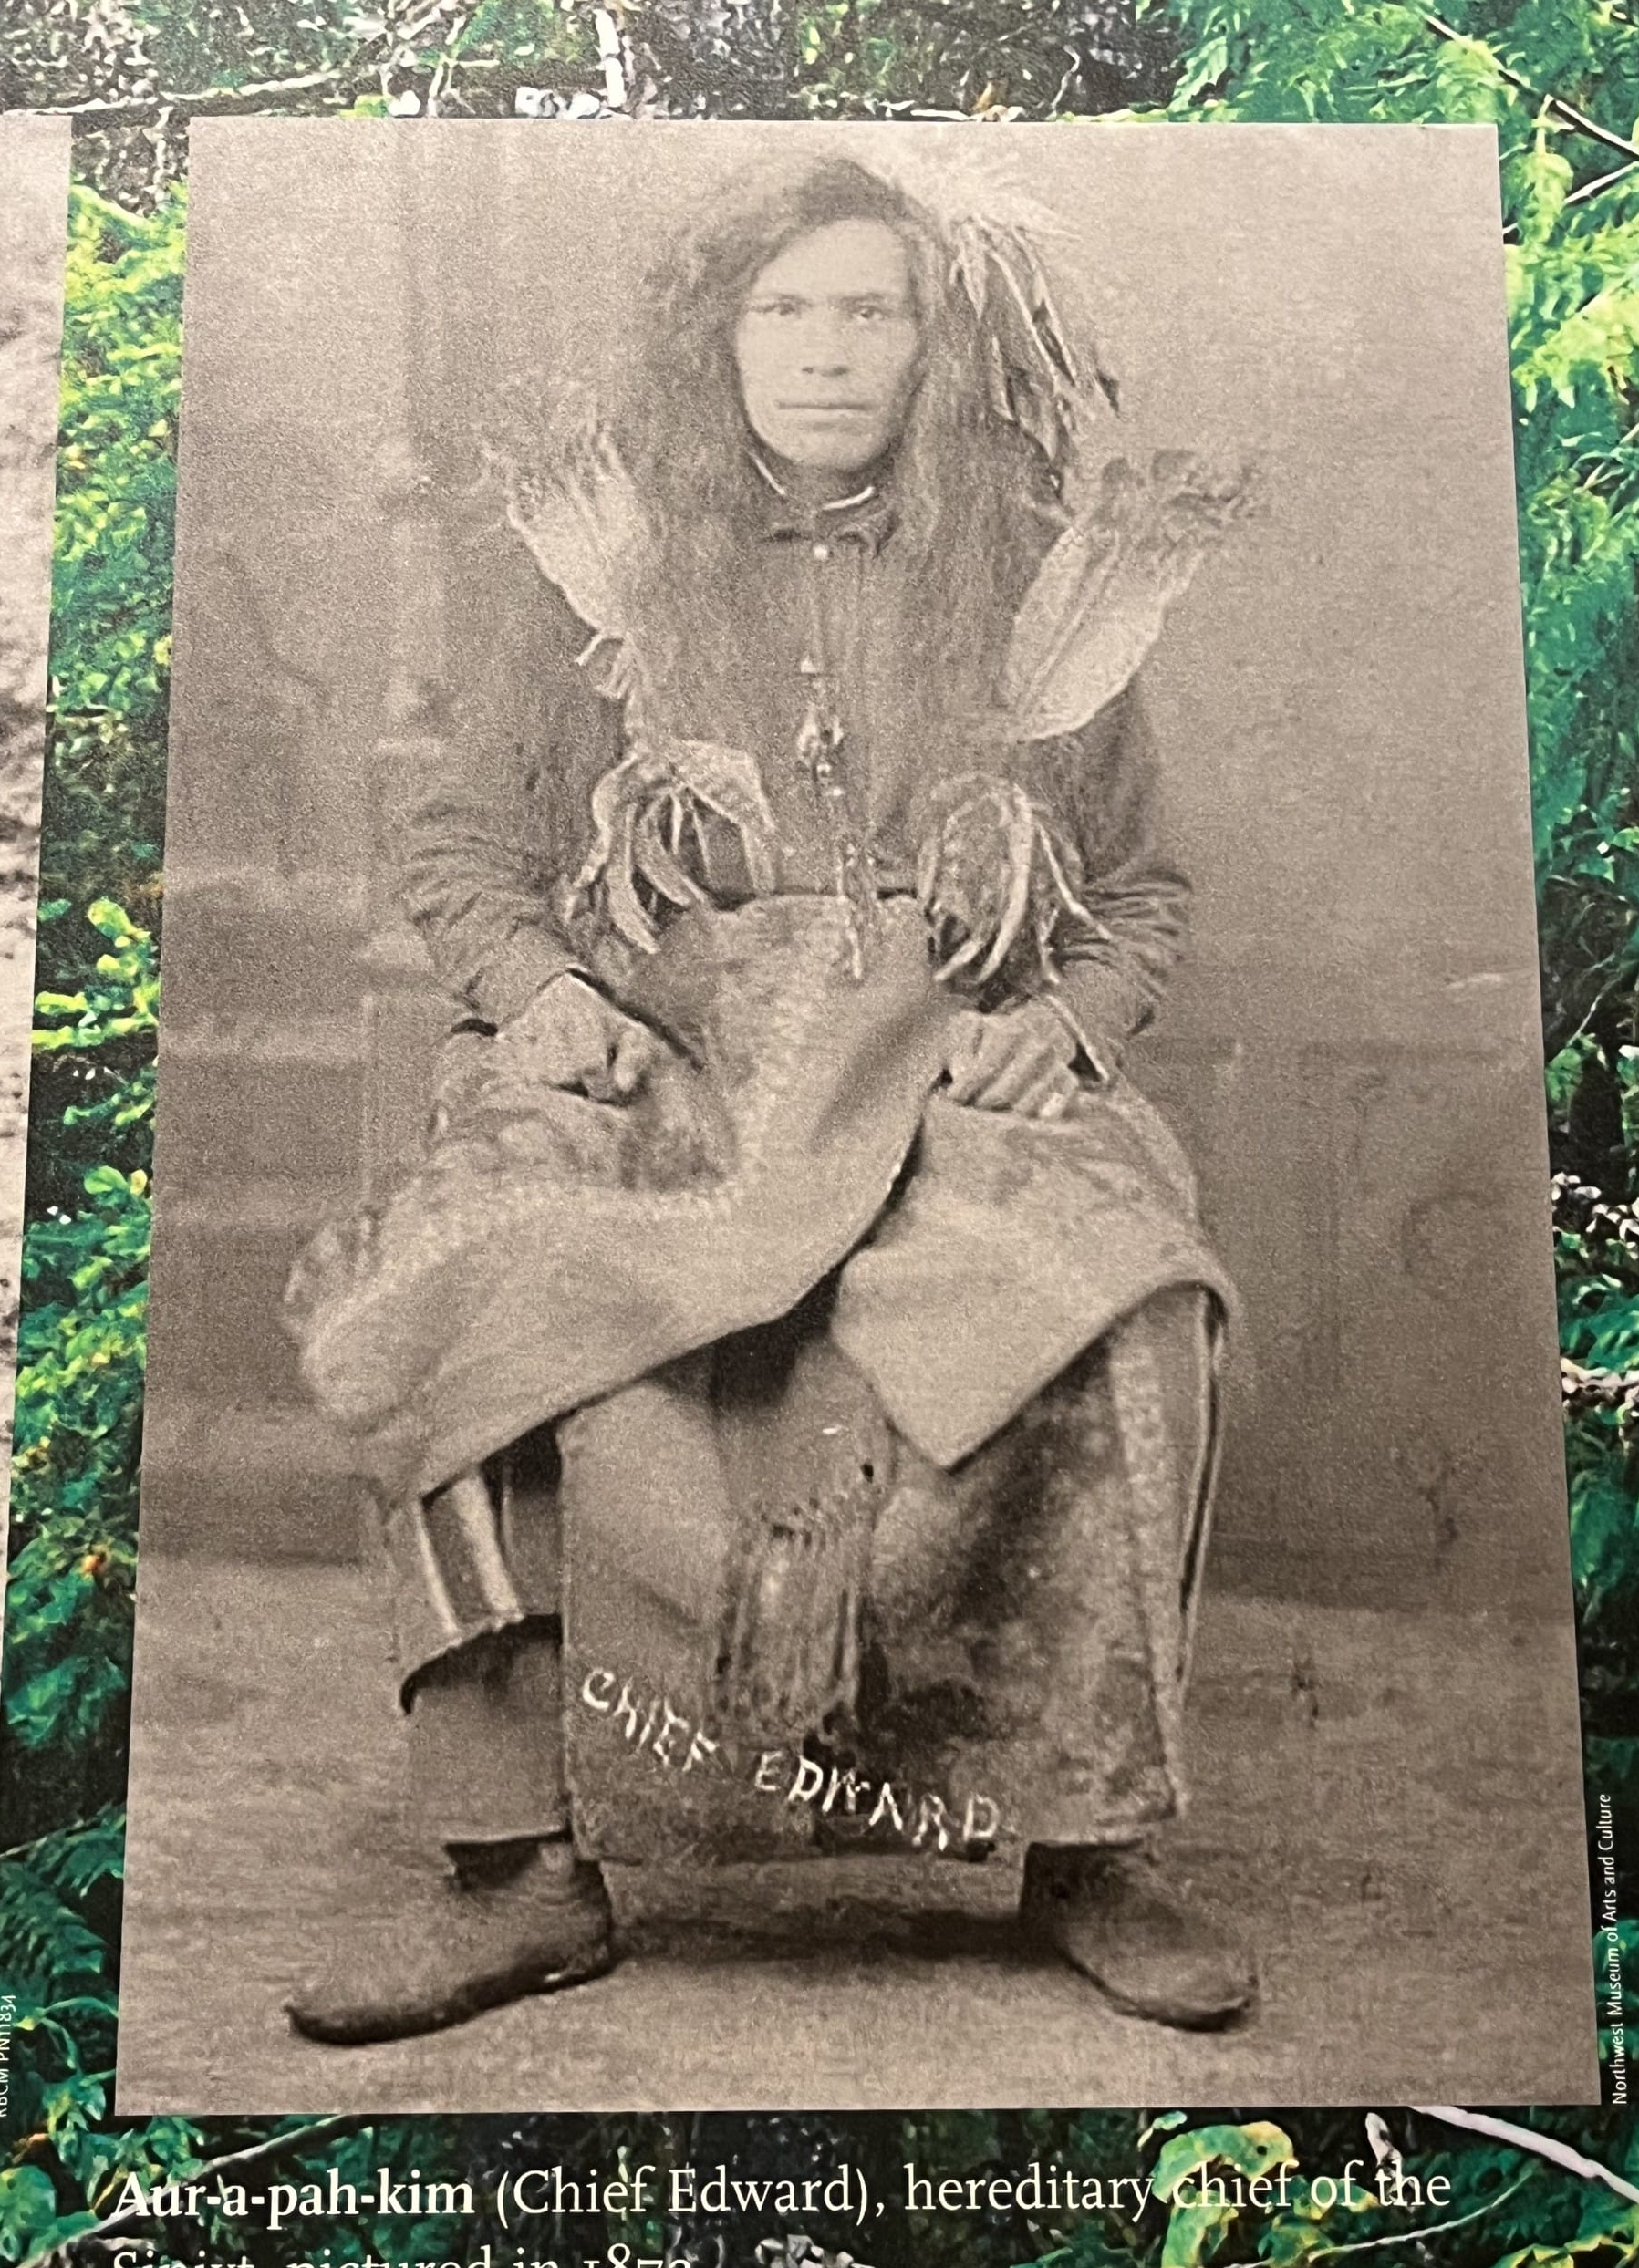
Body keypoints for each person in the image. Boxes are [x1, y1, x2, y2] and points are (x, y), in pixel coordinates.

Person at [284, 152, 1255, 2048]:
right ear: (719, 338)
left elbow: (1139, 891)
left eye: (869, 310)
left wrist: (1066, 1022)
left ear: (930, 342)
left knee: (1140, 1302)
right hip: (664, 1069)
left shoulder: (1030, 568)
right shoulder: (602, 562)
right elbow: (466, 845)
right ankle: (515, 1865)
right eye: (784, 309)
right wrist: (542, 994)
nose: (825, 351)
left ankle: (1093, 1843)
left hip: (947, 1076)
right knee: (431, 1277)